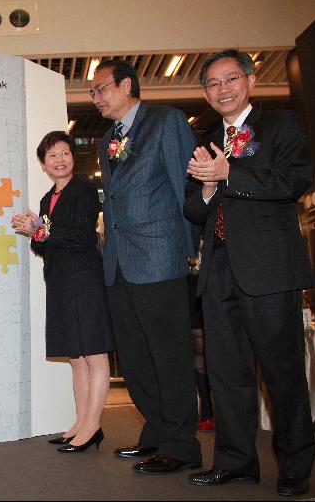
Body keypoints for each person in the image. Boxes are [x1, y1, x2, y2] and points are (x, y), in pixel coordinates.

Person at [184, 49, 315, 497]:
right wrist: (205, 188)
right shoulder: (201, 137)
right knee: (225, 372)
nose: (222, 89)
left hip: (269, 269)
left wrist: (229, 173)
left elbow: (293, 181)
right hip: (217, 268)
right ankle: (236, 461)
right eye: (212, 84)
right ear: (205, 92)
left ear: (251, 81)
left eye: (230, 79)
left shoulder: (281, 125)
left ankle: (296, 465)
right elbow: (193, 209)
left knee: (281, 372)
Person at [91, 59, 202, 474]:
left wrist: (186, 250)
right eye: (93, 93)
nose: (97, 98)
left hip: (159, 257)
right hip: (118, 262)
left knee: (169, 353)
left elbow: (183, 184)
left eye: (101, 89)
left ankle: (181, 444)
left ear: (126, 85)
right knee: (135, 358)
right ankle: (156, 431)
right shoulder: (106, 141)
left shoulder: (166, 121)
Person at [11, 131, 115, 453]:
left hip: (84, 277)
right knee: (76, 356)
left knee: (94, 353)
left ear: (73, 157)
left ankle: (93, 425)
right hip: (58, 280)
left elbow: (81, 235)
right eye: (52, 155)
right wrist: (36, 231)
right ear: (43, 163)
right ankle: (80, 423)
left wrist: (41, 230)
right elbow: (41, 245)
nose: (60, 159)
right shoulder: (46, 199)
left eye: (65, 153)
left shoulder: (84, 189)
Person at [187, 254, 214, 432]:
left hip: (210, 276)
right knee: (196, 347)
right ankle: (206, 407)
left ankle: (216, 408)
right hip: (187, 280)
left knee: (210, 347)